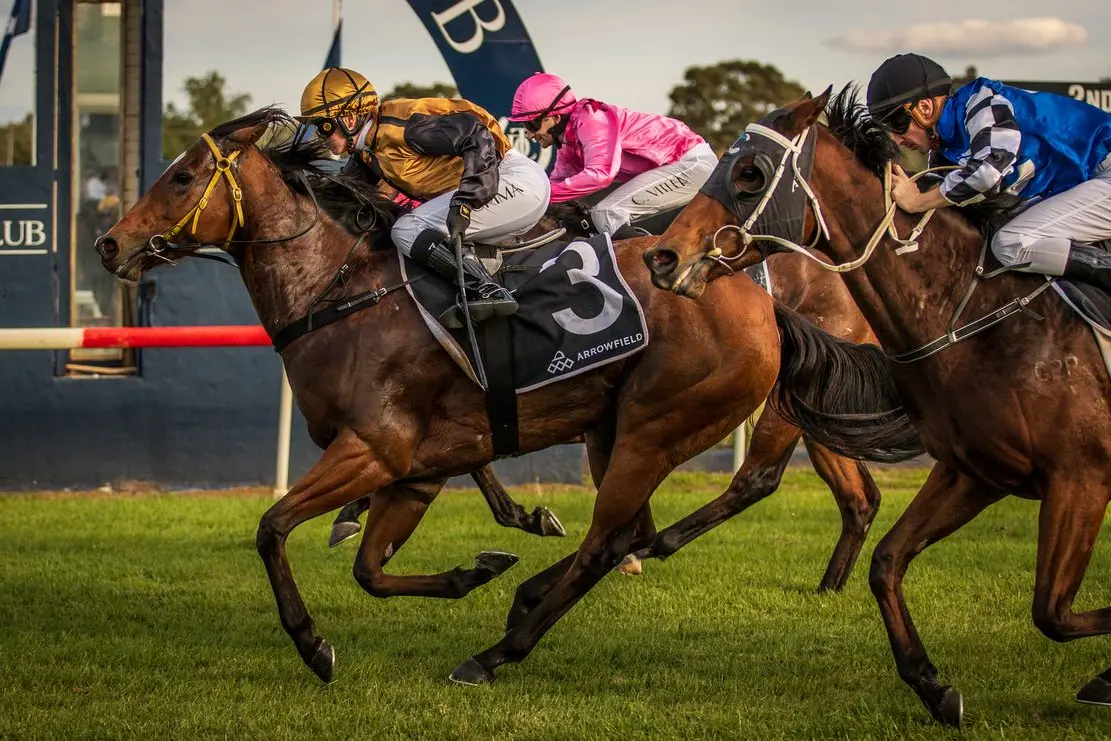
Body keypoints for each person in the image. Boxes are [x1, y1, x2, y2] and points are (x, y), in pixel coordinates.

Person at [298, 67, 552, 325]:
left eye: (322, 126)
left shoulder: (400, 129)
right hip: (507, 187)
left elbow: (476, 134)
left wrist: (467, 200)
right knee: (414, 229)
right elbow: (340, 195)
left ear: (349, 118)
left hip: (515, 181)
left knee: (407, 229)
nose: (320, 136)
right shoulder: (366, 151)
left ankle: (484, 289)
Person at [866, 53, 1111, 291]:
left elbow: (989, 170)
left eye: (896, 123)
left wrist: (918, 201)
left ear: (925, 108)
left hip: (1104, 169)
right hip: (1092, 182)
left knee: (1012, 243)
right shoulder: (946, 151)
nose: (896, 141)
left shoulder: (979, 102)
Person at [507, 72, 717, 238]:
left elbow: (601, 174)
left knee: (606, 213)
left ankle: (647, 274)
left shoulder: (592, 119)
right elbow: (555, 185)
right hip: (675, 165)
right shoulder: (568, 143)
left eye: (531, 123)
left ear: (553, 117)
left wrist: (538, 196)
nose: (528, 133)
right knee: (600, 215)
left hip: (691, 162)